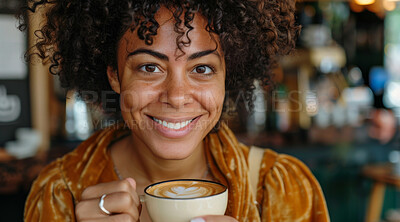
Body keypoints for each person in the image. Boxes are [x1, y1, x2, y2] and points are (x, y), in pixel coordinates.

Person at [19, 0, 330, 221]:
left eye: (203, 68)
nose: (177, 96)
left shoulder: (280, 189)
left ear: (227, 76)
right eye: (150, 67)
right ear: (114, 74)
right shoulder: (60, 193)